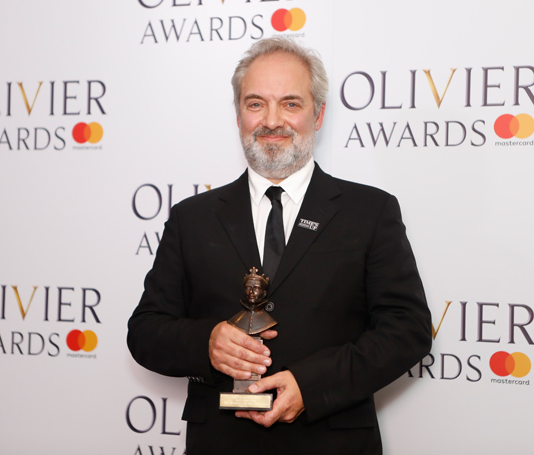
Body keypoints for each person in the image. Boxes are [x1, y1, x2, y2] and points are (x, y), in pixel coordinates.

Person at [127, 36, 432, 455]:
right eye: (255, 104)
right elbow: (145, 332)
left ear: (318, 113)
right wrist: (207, 343)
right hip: (220, 442)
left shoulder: (370, 211)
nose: (272, 120)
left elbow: (408, 330)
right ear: (238, 115)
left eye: (291, 103)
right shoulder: (190, 218)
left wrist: (312, 385)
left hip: (331, 442)